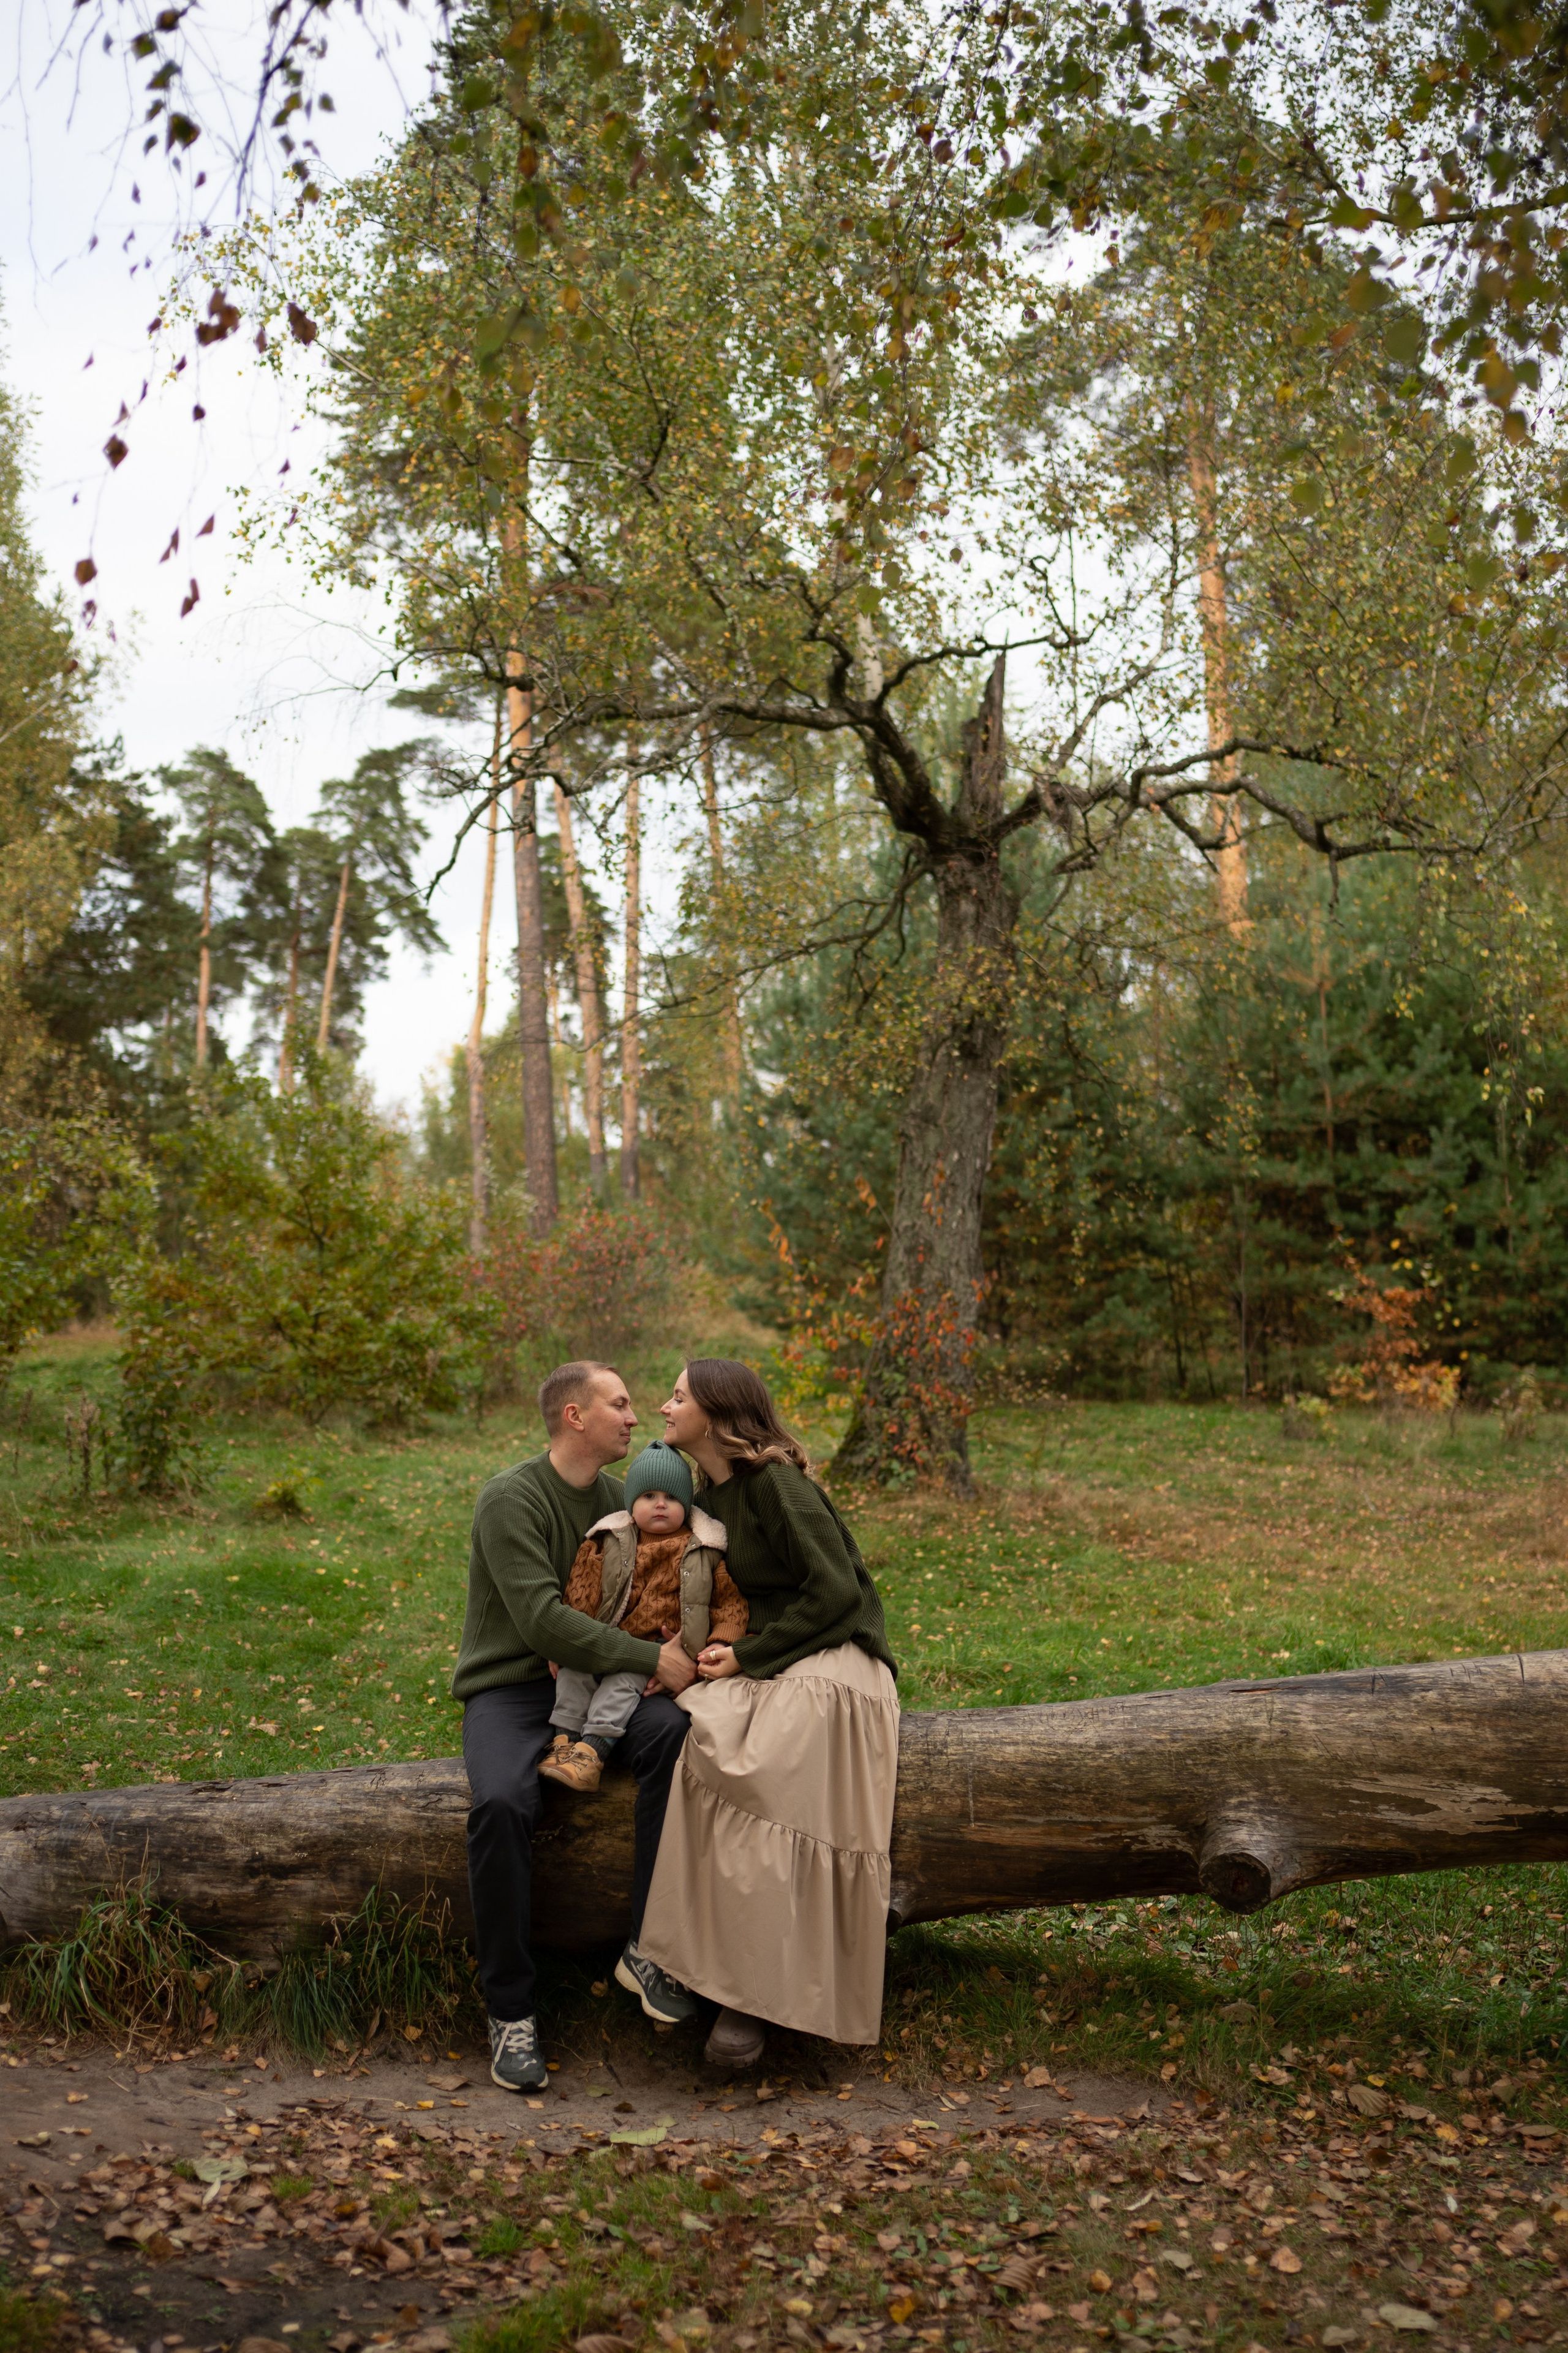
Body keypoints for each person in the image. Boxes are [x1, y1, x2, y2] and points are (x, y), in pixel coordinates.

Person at [637, 1359, 900, 2069]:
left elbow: (837, 1592)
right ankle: (687, 1959)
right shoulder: (705, 1497)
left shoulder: (778, 1484)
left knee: (766, 1766)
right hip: (768, 1654)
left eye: (679, 1395)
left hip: (836, 1656)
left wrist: (752, 1656)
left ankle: (749, 1998)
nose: (664, 1405)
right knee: (704, 1735)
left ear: (718, 1413)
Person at [451, 1360, 700, 2094]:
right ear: (574, 1417)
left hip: (607, 1686)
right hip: (513, 1688)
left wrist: (668, 1652)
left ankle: (647, 1949)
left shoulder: (629, 1500)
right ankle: (511, 2010)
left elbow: (661, 1586)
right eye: (619, 1405)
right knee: (501, 1804)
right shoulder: (511, 1499)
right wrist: (647, 1654)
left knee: (675, 1739)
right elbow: (541, 1622)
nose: (635, 1417)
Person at [541, 1436, 747, 1794]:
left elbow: (730, 1604)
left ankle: (592, 1752)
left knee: (622, 1684)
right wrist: (565, 1645)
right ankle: (564, 1741)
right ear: (631, 1503)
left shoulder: (704, 1549)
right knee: (574, 1673)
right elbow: (581, 1592)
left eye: (671, 1498)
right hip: (603, 1638)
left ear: (686, 1504)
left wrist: (718, 1645)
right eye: (649, 1497)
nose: (661, 1505)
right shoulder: (608, 1539)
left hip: (655, 1649)